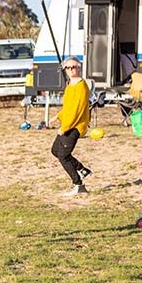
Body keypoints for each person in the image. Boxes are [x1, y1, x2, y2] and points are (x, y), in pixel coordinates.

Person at [50, 57, 93, 195]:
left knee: (63, 155)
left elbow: (77, 110)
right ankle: (81, 169)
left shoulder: (81, 86)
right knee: (55, 150)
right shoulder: (70, 85)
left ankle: (78, 184)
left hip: (75, 126)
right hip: (67, 123)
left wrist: (65, 127)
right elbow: (68, 107)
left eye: (73, 67)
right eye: (68, 68)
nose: (71, 70)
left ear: (79, 68)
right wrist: (58, 116)